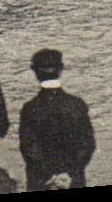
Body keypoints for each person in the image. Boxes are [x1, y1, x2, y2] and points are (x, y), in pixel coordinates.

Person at [18, 48, 95, 191]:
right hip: (73, 180)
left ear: (34, 71)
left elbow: (28, 148)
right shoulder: (77, 105)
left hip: (41, 182)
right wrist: (70, 173)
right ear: (61, 69)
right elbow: (88, 144)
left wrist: (50, 176)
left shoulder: (29, 108)